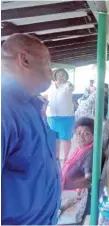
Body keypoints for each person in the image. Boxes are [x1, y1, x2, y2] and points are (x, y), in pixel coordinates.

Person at [1, 33, 61, 224]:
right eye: (48, 63)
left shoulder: (31, 105)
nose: (51, 72)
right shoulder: (4, 109)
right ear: (24, 59)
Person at [45, 68, 75, 163]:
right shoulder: (50, 86)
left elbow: (71, 88)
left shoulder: (68, 85)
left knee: (65, 138)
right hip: (52, 116)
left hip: (66, 116)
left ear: (66, 77)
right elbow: (46, 96)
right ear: (55, 76)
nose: (60, 77)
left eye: (63, 75)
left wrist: (69, 84)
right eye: (59, 75)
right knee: (54, 138)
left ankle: (66, 158)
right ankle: (56, 156)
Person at [61, 117, 95, 190]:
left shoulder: (90, 153)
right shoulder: (82, 149)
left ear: (94, 135)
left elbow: (88, 181)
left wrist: (61, 186)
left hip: (70, 191)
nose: (81, 137)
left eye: (86, 134)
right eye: (78, 133)